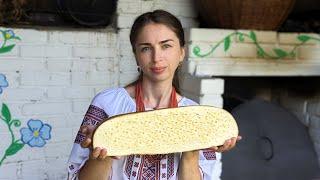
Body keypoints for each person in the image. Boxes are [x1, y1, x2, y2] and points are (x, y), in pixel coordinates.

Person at [67, 9, 241, 180]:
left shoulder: (195, 116)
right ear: (136, 55)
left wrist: (192, 149)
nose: (157, 57)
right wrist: (100, 156)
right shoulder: (108, 103)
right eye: (146, 48)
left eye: (166, 46)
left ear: (181, 53)